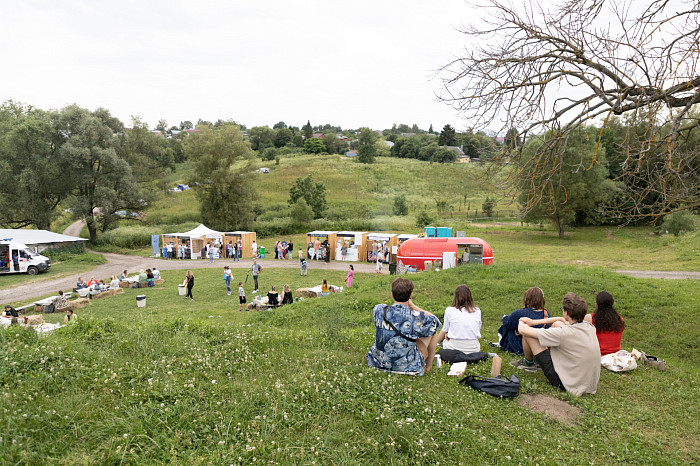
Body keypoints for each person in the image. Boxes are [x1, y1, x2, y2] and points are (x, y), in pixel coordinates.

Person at [517, 292, 601, 396]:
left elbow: (522, 330)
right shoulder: (589, 327)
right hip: (587, 383)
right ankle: (535, 360)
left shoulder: (563, 333)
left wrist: (522, 321)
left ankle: (529, 363)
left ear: (566, 312)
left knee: (530, 336)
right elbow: (560, 320)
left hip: (565, 383)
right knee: (557, 324)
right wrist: (533, 322)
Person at [367, 277, 442, 376]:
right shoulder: (414, 317)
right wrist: (413, 307)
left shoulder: (379, 310)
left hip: (378, 363)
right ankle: (428, 367)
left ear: (392, 294)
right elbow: (435, 321)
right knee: (432, 330)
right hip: (406, 366)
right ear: (410, 295)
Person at [498, 287, 552, 356]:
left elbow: (507, 323)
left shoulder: (520, 313)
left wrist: (505, 317)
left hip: (521, 347)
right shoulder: (547, 314)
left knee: (506, 326)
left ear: (527, 299)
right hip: (540, 347)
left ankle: (503, 344)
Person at [437, 284, 482, 354]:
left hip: (455, 347)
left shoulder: (449, 310)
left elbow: (445, 330)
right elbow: (476, 329)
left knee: (445, 341)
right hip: (474, 348)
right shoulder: (477, 310)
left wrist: (437, 341)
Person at [584, 291, 625, 356]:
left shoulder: (590, 318)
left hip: (597, 355)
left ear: (597, 304)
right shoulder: (620, 320)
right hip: (614, 355)